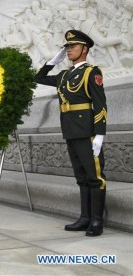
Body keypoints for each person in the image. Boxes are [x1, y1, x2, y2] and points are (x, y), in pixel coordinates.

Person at [34, 30, 107, 237]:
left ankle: (97, 221)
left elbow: (100, 105)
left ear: (85, 49)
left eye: (73, 47)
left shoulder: (91, 72)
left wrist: (100, 134)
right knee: (81, 177)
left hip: (87, 132)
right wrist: (52, 61)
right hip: (70, 131)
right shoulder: (64, 75)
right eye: (66, 47)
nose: (68, 51)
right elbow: (38, 77)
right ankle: (84, 218)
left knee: (95, 177)